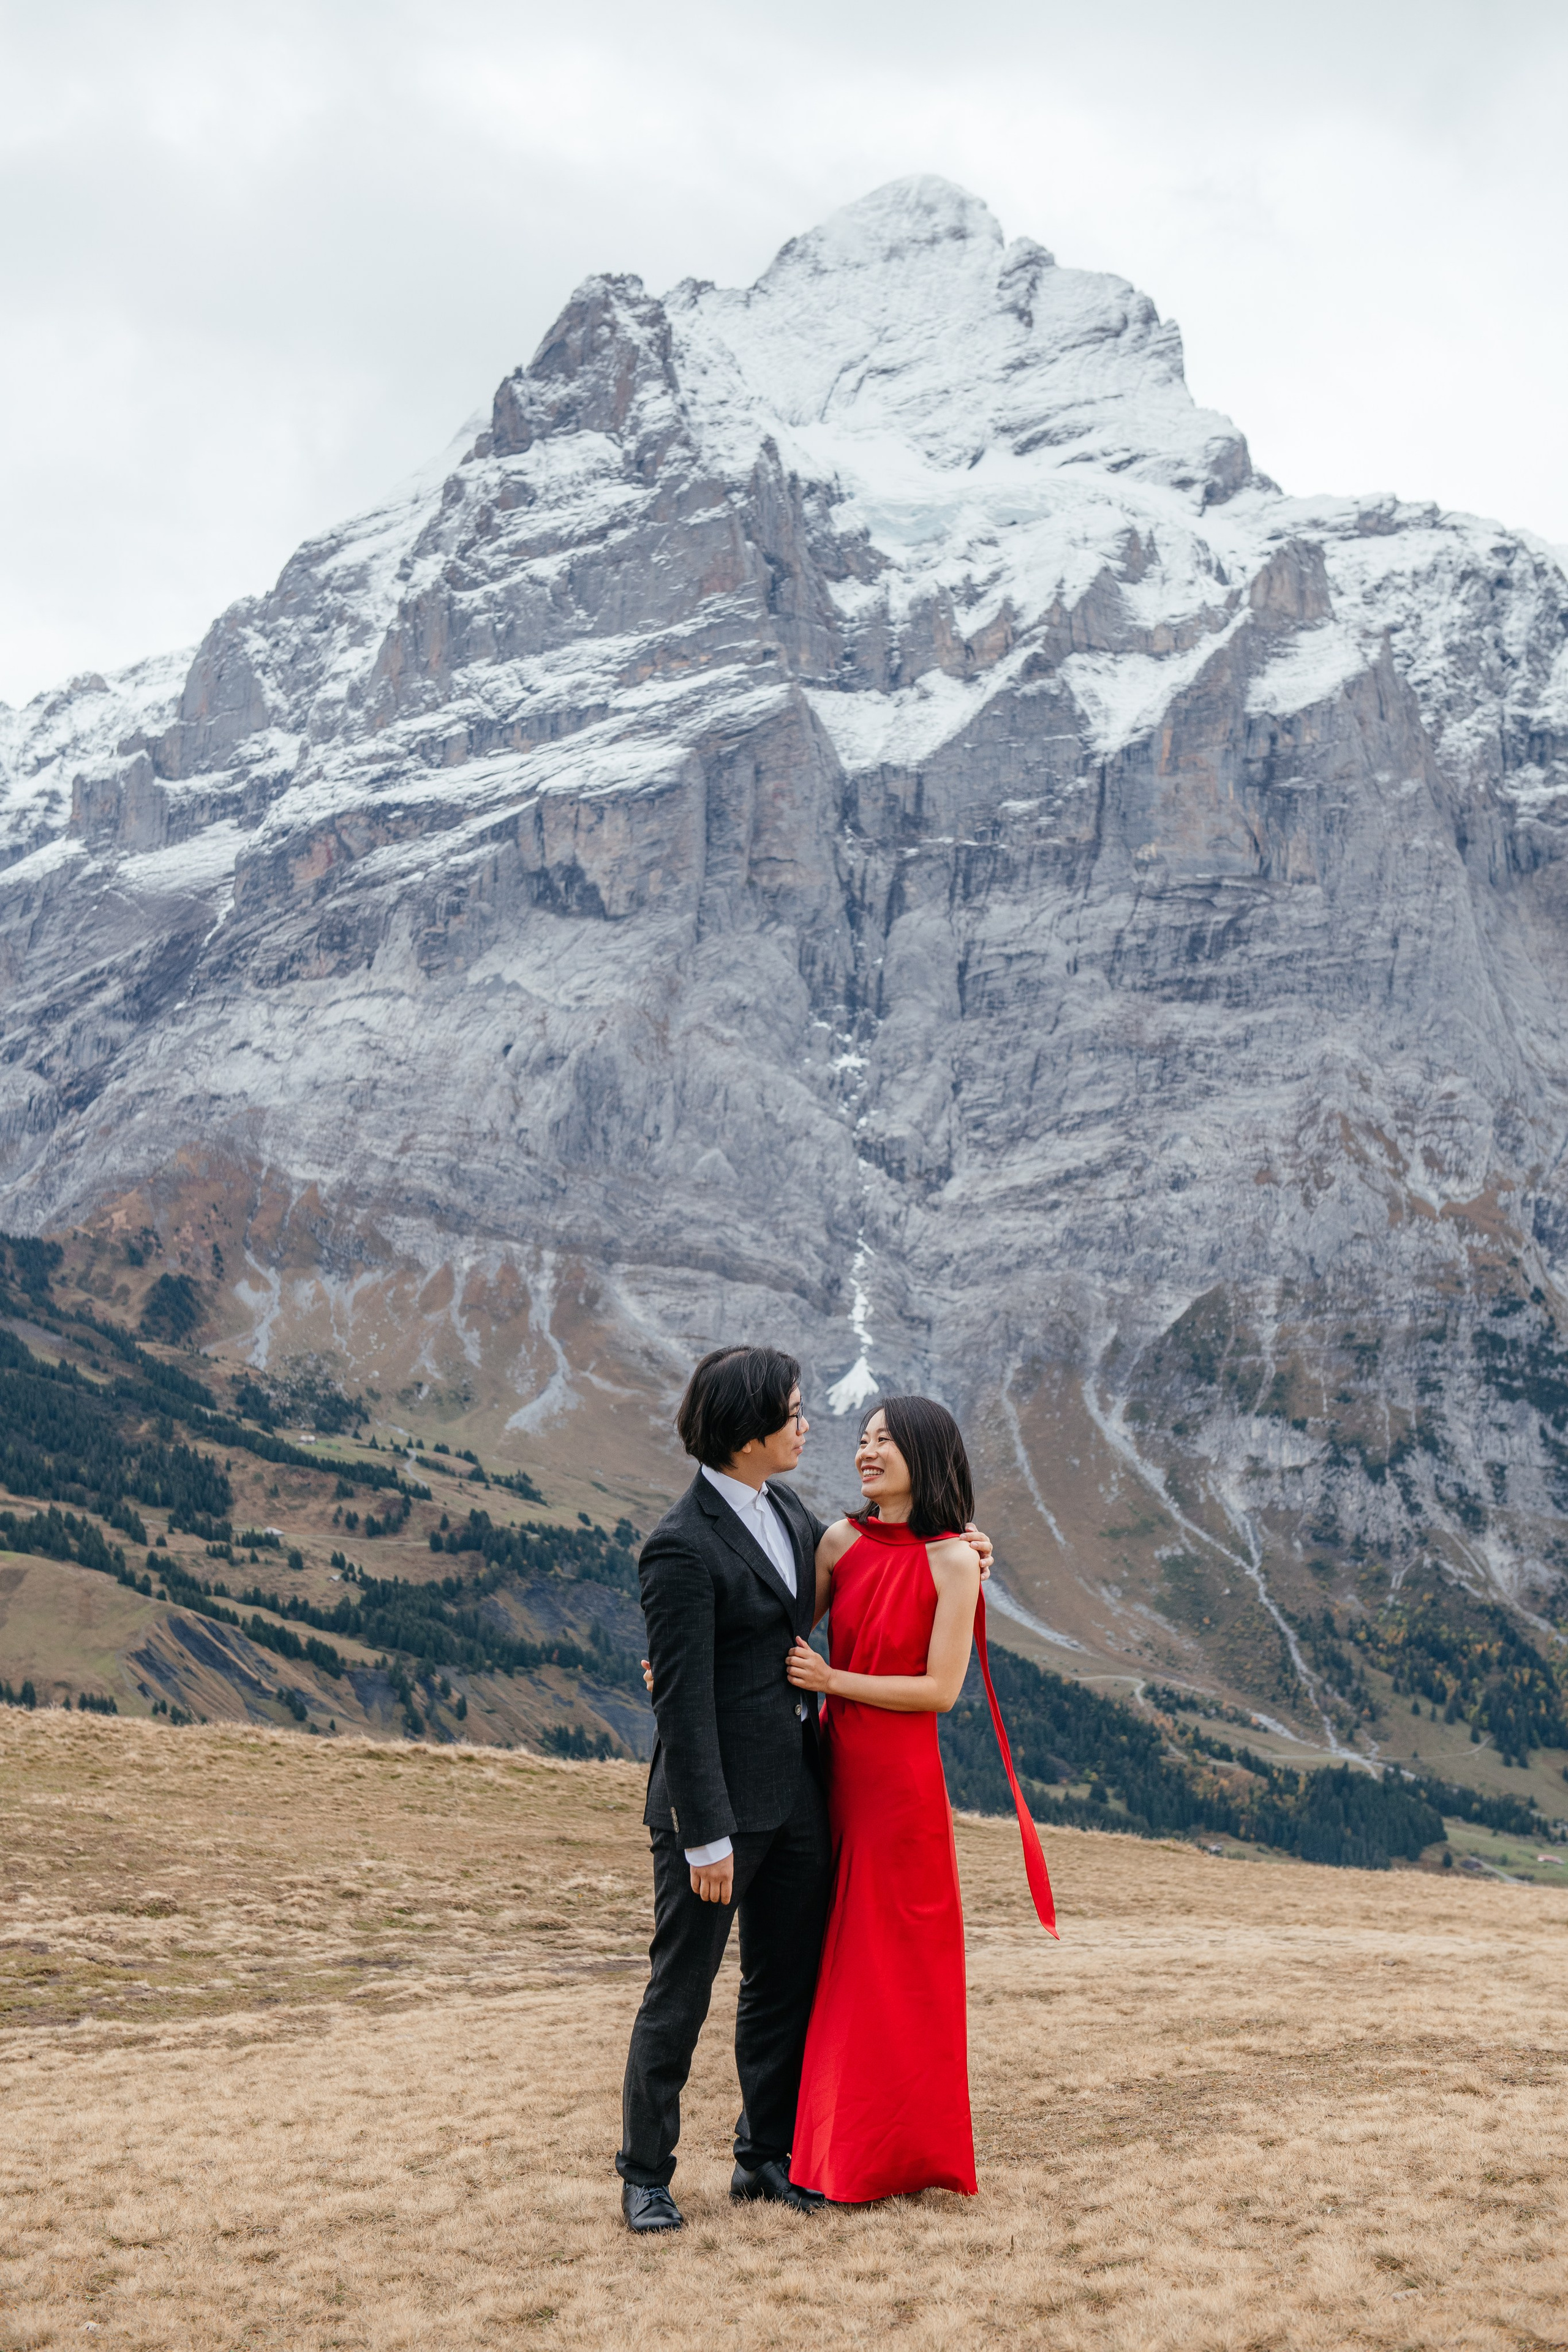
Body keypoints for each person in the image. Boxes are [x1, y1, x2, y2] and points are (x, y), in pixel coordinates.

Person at [617, 1347, 996, 2234]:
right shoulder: (677, 1544)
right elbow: (680, 1693)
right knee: (682, 1988)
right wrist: (704, 1833)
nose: (807, 1425)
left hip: (797, 1799)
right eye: (793, 1413)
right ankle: (645, 2177)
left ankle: (763, 2158)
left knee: (782, 1987)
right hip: (713, 1814)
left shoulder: (788, 1511)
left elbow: (878, 1563)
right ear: (750, 1432)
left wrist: (968, 1544)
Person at [783, 1394, 1057, 2206]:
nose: (866, 1453)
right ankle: (835, 2154)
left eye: (885, 1442)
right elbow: (782, 1626)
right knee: (840, 1959)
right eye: (862, 1440)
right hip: (834, 1766)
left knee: (896, 1967)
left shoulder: (953, 1561)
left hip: (900, 1785)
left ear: (925, 1455)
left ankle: (892, 2156)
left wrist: (834, 1681)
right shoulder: (837, 1540)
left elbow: (939, 1691)